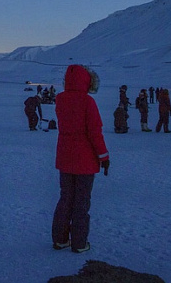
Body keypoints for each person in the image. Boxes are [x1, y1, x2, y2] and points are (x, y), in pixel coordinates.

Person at [52, 65, 109, 253]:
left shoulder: (60, 99)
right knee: (81, 202)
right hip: (85, 160)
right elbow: (94, 132)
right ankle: (79, 243)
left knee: (65, 199)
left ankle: (60, 239)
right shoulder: (87, 102)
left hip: (65, 158)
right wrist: (104, 156)